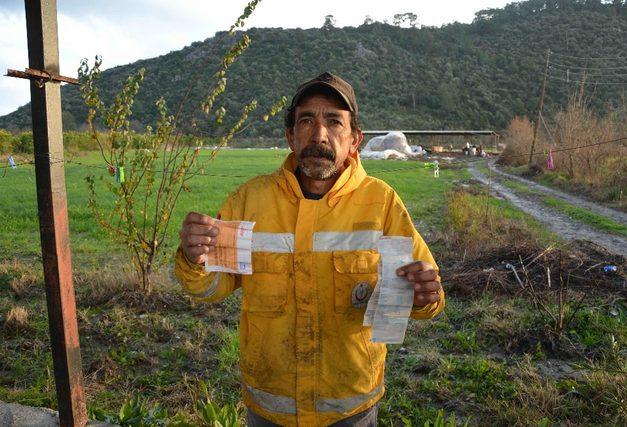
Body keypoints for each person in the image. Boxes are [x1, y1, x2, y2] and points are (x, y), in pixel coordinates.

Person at [175, 72, 445, 427]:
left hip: (349, 409)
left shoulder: (382, 203)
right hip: (270, 407)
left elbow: (425, 297)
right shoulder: (250, 200)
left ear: (354, 140)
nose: (319, 134)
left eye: (334, 121)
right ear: (290, 136)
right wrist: (194, 259)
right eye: (306, 121)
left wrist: (426, 295)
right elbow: (211, 287)